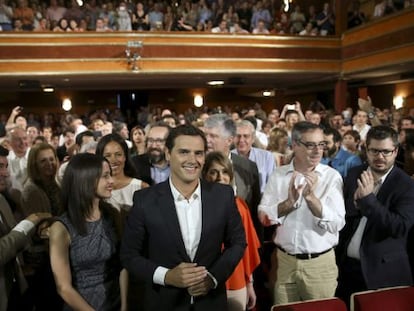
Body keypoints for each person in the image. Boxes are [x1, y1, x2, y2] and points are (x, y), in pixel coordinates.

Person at [121, 124, 246, 310]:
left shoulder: (223, 195)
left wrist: (212, 278)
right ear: (168, 154)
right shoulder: (145, 199)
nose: (192, 160)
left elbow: (237, 243)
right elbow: (129, 255)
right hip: (163, 303)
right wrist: (166, 276)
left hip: (211, 303)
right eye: (184, 152)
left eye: (199, 153)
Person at [258, 121, 345, 305]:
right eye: (310, 145)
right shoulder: (279, 175)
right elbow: (263, 216)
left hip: (319, 265)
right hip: (284, 263)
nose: (317, 151)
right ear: (295, 145)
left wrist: (311, 198)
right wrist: (289, 203)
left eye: (321, 144)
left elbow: (337, 224)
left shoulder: (331, 177)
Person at [336, 125, 414, 305]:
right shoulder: (355, 173)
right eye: (375, 151)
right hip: (347, 269)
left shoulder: (406, 185)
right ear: (366, 149)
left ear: (395, 152)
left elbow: (400, 227)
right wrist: (356, 205)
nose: (380, 157)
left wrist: (369, 200)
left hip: (382, 272)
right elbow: (346, 215)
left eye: (386, 152)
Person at [49, 153, 124, 310]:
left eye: (110, 174)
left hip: (115, 302)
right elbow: (63, 287)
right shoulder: (61, 228)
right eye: (105, 176)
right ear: (85, 180)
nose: (111, 181)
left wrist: (124, 306)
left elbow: (123, 265)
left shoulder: (112, 215)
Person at [203, 152, 261, 311]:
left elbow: (247, 251)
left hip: (235, 280)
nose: (219, 177)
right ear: (205, 175)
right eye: (213, 172)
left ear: (230, 176)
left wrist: (250, 284)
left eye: (224, 172)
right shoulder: (195, 206)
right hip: (203, 281)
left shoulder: (240, 206)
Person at [0, 145, 51, 311]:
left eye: (6, 166)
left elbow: (13, 244)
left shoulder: (1, 199)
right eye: (0, 167)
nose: (6, 173)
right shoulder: (30, 191)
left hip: (16, 289)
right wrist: (29, 223)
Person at [203, 114, 262, 240]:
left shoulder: (248, 167)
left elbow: (255, 207)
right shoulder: (197, 166)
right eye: (205, 135)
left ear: (229, 141)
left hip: (242, 241)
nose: (207, 140)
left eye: (213, 136)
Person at [96, 133, 149, 213]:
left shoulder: (141, 187)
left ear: (125, 157)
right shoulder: (93, 189)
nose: (113, 160)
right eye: (107, 155)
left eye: (118, 154)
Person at [232, 120, 275, 193]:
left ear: (253, 139)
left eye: (246, 136)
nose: (241, 140)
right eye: (238, 136)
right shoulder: (227, 157)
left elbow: (272, 185)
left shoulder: (267, 157)